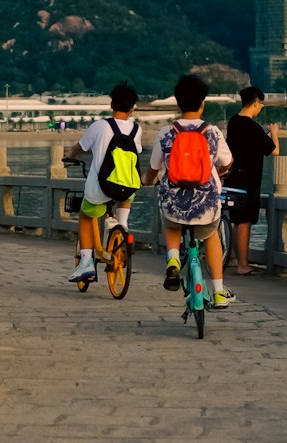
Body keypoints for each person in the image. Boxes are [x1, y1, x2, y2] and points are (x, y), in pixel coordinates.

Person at [144, 72, 235, 309]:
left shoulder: (166, 133)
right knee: (212, 234)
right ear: (203, 102)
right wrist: (221, 172)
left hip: (174, 203)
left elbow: (154, 167)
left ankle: (173, 261)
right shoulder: (212, 132)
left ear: (177, 101)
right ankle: (218, 291)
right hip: (206, 204)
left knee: (170, 222)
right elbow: (227, 162)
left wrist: (148, 180)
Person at [64, 83, 143, 283]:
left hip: (101, 187)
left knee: (85, 215)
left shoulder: (100, 126)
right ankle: (122, 228)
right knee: (125, 199)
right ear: (133, 107)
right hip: (127, 186)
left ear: (111, 104)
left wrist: (70, 155)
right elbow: (138, 152)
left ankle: (86, 263)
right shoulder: (136, 129)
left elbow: (80, 147)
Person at [225, 84, 279, 275]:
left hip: (232, 178)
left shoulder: (233, 122)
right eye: (261, 104)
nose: (261, 108)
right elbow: (275, 150)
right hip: (249, 180)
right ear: (255, 102)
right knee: (245, 221)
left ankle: (231, 258)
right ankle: (243, 265)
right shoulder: (254, 127)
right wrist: (274, 133)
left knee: (233, 219)